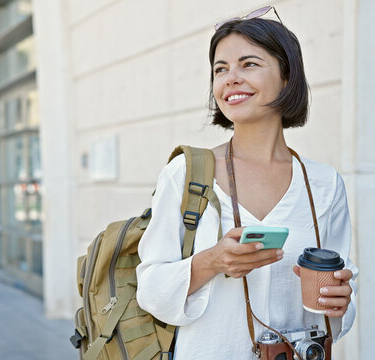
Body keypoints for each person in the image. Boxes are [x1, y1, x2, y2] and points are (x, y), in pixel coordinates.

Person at [135, 6, 358, 360]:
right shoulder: (185, 173)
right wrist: (211, 262)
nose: (230, 78)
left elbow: (339, 307)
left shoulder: (324, 184)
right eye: (220, 69)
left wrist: (341, 302)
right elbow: (150, 291)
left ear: (287, 76)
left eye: (249, 64)